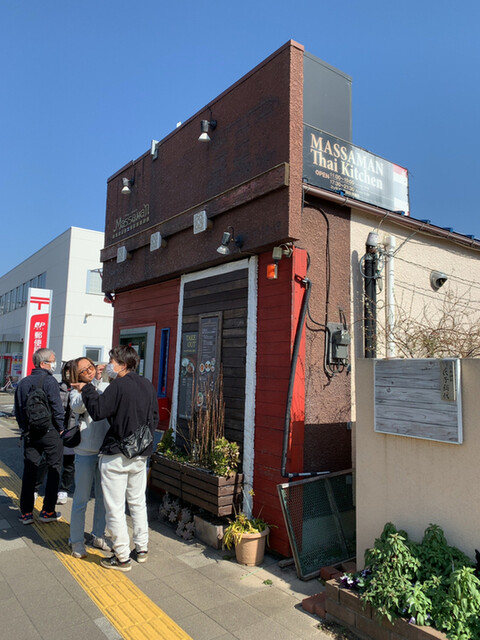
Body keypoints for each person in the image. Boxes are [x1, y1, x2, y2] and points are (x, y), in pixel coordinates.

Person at [73, 345, 158, 571]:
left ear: (122, 364)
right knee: (138, 502)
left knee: (115, 508)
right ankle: (142, 548)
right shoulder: (147, 384)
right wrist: (143, 443)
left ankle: (121, 556)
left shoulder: (118, 385)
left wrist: (87, 388)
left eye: (112, 361)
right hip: (140, 454)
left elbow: (98, 411)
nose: (109, 364)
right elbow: (154, 417)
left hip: (117, 454)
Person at [14, 348, 64, 524]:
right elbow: (57, 408)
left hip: (31, 434)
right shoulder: (50, 381)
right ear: (43, 363)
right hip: (50, 433)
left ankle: (26, 513)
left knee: (30, 471)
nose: (54, 363)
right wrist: (61, 428)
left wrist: (24, 429)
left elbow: (18, 410)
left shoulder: (23, 382)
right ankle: (48, 511)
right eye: (53, 360)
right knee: (54, 469)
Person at [69, 357, 111, 559]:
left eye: (91, 367)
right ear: (77, 374)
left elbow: (107, 403)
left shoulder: (104, 386)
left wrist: (99, 382)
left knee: (103, 498)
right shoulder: (75, 391)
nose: (90, 371)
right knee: (81, 498)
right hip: (85, 450)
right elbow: (78, 407)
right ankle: (76, 540)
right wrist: (89, 388)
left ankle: (98, 535)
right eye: (84, 370)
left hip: (105, 450)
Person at [57, 361, 76, 505]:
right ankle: (37, 487)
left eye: (71, 370)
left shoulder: (79, 389)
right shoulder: (57, 388)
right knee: (49, 461)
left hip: (72, 431)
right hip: (57, 430)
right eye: (67, 370)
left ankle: (64, 489)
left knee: (69, 463)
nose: (69, 373)